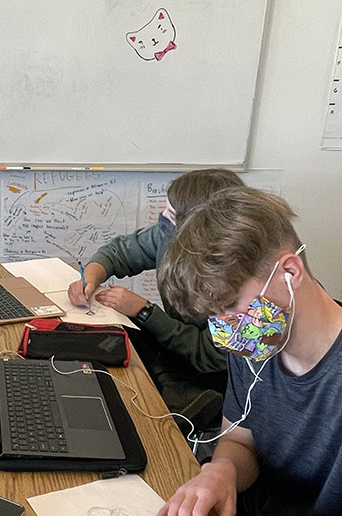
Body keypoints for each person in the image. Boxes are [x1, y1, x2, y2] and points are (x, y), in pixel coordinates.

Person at [154, 187, 342, 516]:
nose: (225, 336)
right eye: (214, 321)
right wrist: (221, 471)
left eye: (231, 310)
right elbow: (241, 436)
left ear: (290, 272)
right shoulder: (257, 346)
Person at [67, 169, 245, 434]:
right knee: (120, 329)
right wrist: (89, 279)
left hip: (216, 373)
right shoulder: (169, 236)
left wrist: (144, 311)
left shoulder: (241, 277)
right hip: (178, 352)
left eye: (171, 215)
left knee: (134, 325)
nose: (163, 219)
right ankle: (169, 385)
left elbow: (207, 355)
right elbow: (119, 252)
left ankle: (179, 392)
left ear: (199, 226)